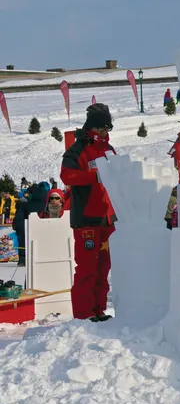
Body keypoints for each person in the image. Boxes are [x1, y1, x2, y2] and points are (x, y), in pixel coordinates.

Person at [60, 103, 117, 322]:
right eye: (100, 128)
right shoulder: (77, 150)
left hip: (107, 219)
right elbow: (67, 176)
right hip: (86, 219)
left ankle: (99, 310)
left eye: (107, 128)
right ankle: (84, 315)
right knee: (87, 269)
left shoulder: (110, 150)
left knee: (103, 270)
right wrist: (95, 176)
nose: (104, 132)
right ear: (91, 127)